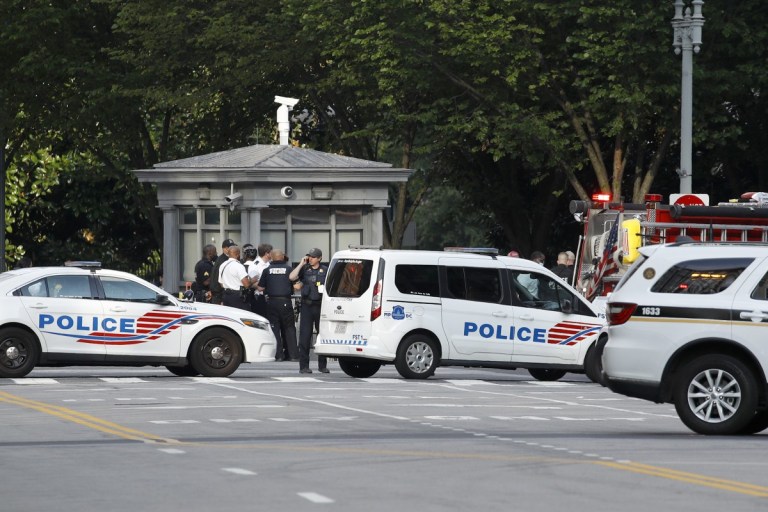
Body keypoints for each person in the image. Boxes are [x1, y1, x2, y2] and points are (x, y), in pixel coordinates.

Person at [289, 248, 329, 374]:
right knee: (305, 337)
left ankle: (322, 365)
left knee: (322, 336)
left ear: (319, 258)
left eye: (313, 257)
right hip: (307, 306)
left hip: (321, 306)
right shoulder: (305, 269)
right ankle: (304, 366)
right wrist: (301, 263)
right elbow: (292, 277)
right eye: (309, 256)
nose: (310, 259)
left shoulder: (325, 270)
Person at [257, 249, 299, 363]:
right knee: (289, 328)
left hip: (272, 302)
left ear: (271, 257)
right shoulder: (289, 269)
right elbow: (297, 286)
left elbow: (260, 288)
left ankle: (278, 355)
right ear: (282, 257)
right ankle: (293, 355)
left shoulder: (266, 270)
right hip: (285, 301)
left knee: (274, 328)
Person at [218, 245, 252, 311]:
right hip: (237, 296)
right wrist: (252, 280)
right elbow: (247, 284)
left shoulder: (222, 265)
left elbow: (221, 283)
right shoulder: (238, 266)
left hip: (226, 295)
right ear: (238, 254)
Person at [248, 243, 273, 318]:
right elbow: (253, 283)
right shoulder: (255, 265)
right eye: (271, 252)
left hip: (270, 297)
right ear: (267, 253)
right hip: (260, 298)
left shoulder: (269, 264)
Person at [210, 239, 236, 305]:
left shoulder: (224, 259)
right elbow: (218, 280)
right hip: (219, 296)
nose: (233, 249)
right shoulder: (222, 261)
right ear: (225, 248)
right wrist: (221, 298)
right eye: (230, 247)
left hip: (220, 295)